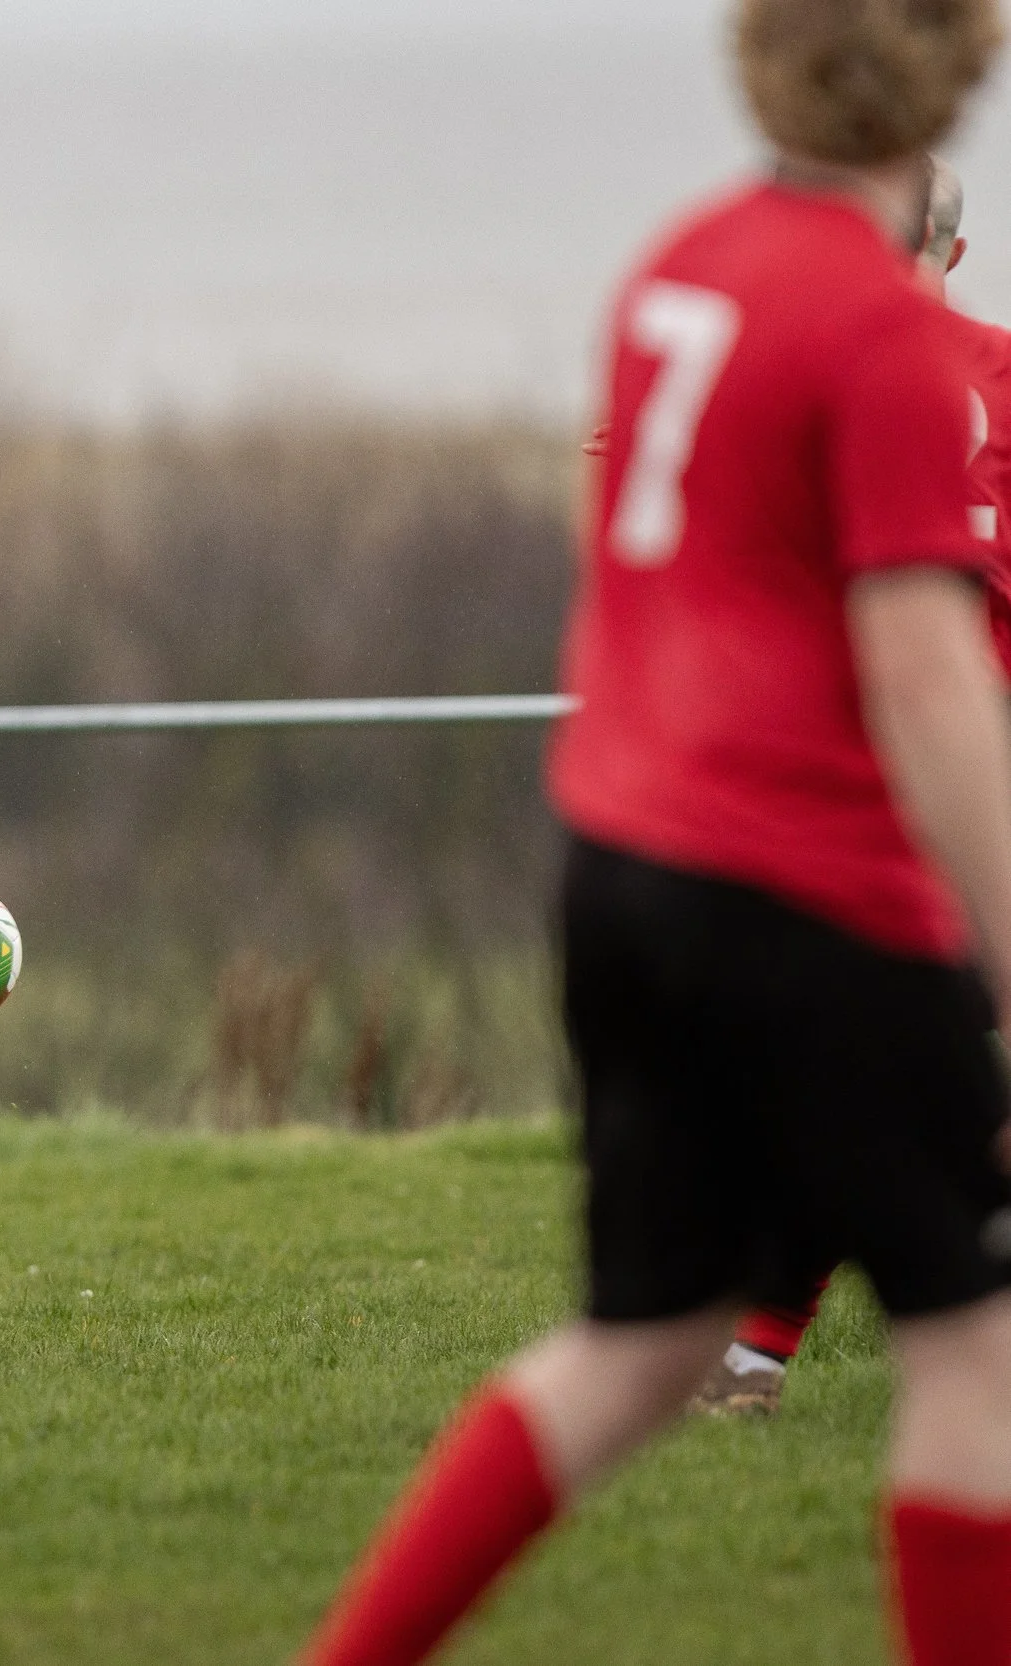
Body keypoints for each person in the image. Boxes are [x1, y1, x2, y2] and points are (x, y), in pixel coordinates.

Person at [301, 2, 1011, 1661]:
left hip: (623, 866)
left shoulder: (675, 269)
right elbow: (925, 680)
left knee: (638, 1346)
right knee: (975, 1352)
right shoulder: (898, 341)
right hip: (810, 895)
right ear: (963, 79)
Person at [694, 155, 1011, 1417]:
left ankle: (750, 1358)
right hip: (872, 791)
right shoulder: (805, 387)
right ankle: (751, 1357)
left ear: (946, 255)